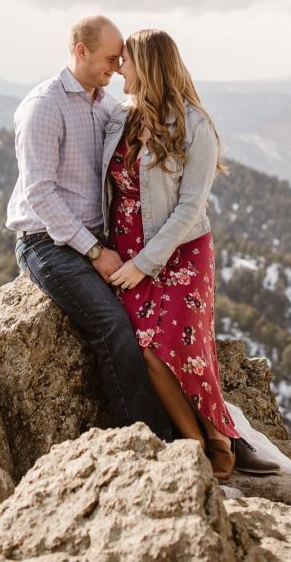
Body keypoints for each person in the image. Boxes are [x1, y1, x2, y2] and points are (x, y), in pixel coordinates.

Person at [7, 15, 173, 441]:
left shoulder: (105, 106)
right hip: (47, 243)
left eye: (121, 60)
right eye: (110, 58)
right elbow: (39, 194)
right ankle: (148, 439)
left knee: (154, 320)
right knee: (112, 326)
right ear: (80, 52)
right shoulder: (44, 105)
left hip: (97, 240)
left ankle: (185, 424)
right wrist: (96, 254)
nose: (118, 68)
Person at [101, 29, 242, 481]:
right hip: (126, 250)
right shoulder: (119, 118)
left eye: (126, 60)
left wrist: (145, 264)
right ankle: (193, 440)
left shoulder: (195, 124)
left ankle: (218, 437)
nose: (119, 68)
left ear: (148, 65)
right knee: (145, 350)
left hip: (181, 248)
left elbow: (190, 207)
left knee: (183, 341)